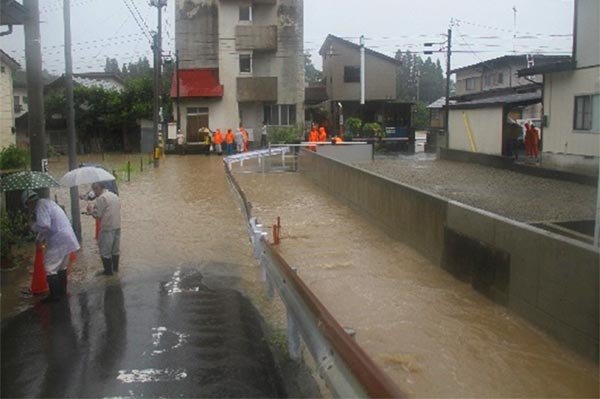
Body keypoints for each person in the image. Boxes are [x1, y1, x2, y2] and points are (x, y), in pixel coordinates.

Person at [23, 190, 80, 303]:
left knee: (50, 268)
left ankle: (54, 296)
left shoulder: (41, 207)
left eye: (27, 205)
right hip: (67, 238)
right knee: (61, 267)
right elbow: (46, 226)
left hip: (58, 240)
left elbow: (44, 225)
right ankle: (62, 293)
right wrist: (39, 238)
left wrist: (32, 226)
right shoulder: (48, 203)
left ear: (29, 203)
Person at [87, 182, 121, 276]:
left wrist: (90, 211)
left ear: (99, 188)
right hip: (117, 225)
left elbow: (98, 214)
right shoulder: (114, 195)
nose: (95, 192)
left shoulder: (101, 198)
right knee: (115, 249)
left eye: (95, 189)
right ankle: (115, 270)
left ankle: (108, 272)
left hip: (107, 227)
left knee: (105, 251)